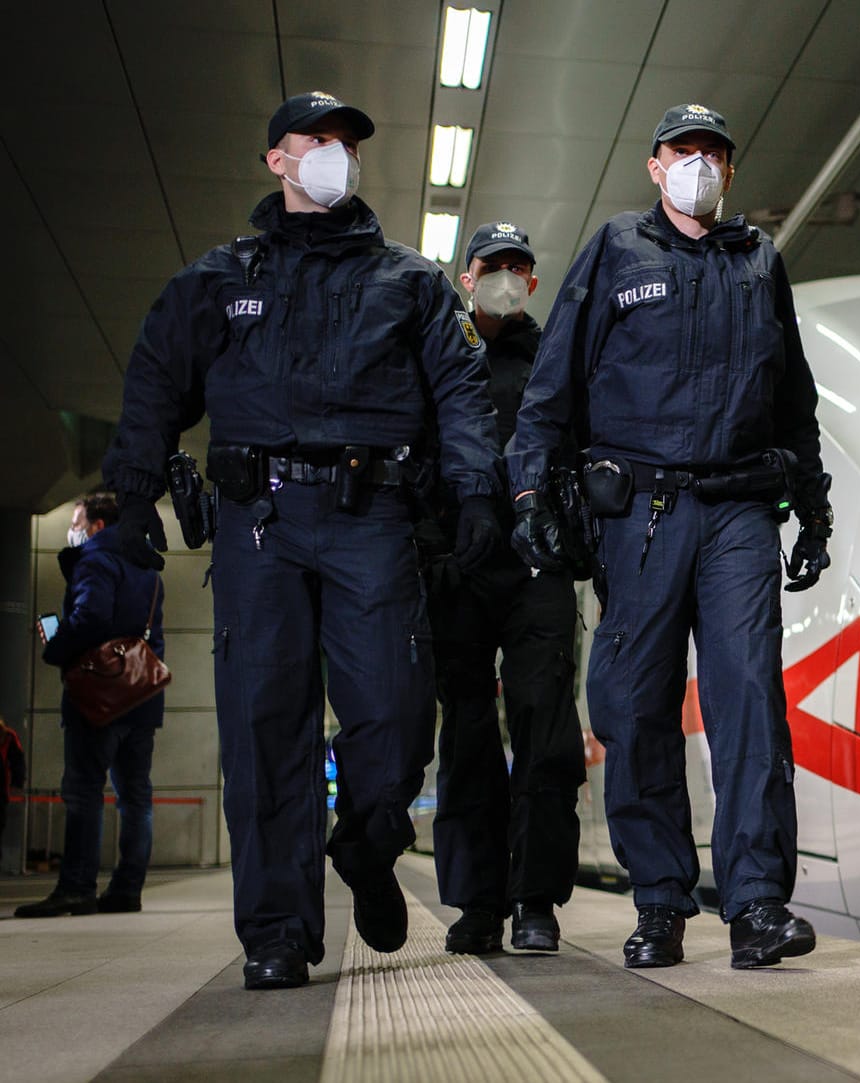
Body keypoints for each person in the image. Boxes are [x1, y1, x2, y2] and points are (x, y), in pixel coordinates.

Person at [100, 92, 501, 989]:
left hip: (375, 520)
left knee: (398, 716)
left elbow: (462, 394)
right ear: (275, 161)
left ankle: (365, 840)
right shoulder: (221, 280)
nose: (335, 154)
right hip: (260, 524)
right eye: (314, 141)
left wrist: (477, 492)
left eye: (347, 142)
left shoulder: (411, 281)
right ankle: (278, 932)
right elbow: (157, 378)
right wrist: (132, 499)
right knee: (264, 726)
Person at [510, 103, 832, 970]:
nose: (701, 165)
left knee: (749, 699)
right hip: (640, 516)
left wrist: (814, 502)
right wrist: (531, 484)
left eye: (715, 154)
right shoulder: (618, 250)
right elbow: (555, 383)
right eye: (684, 152)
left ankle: (758, 903)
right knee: (637, 704)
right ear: (656, 166)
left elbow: (792, 396)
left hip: (738, 512)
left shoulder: (759, 262)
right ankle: (659, 902)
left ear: (730, 169)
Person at [424, 222, 585, 956]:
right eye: (494, 265)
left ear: (534, 282)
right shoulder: (434, 354)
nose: (507, 277)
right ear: (467, 275)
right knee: (466, 736)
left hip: (535, 566)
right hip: (459, 568)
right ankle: (477, 902)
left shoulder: (557, 359)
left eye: (521, 266)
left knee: (545, 731)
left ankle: (536, 899)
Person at [17, 493, 163, 918]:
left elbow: (91, 617)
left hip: (97, 693)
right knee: (135, 797)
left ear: (97, 526)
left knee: (83, 791)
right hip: (141, 693)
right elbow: (152, 636)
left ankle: (77, 888)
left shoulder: (97, 560)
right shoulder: (149, 566)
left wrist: (55, 648)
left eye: (77, 520)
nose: (73, 529)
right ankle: (126, 889)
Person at [1, 715, 26, 868]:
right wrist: (17, 782)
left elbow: (18, 761)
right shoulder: (7, 736)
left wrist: (17, 781)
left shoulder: (8, 736)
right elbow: (18, 761)